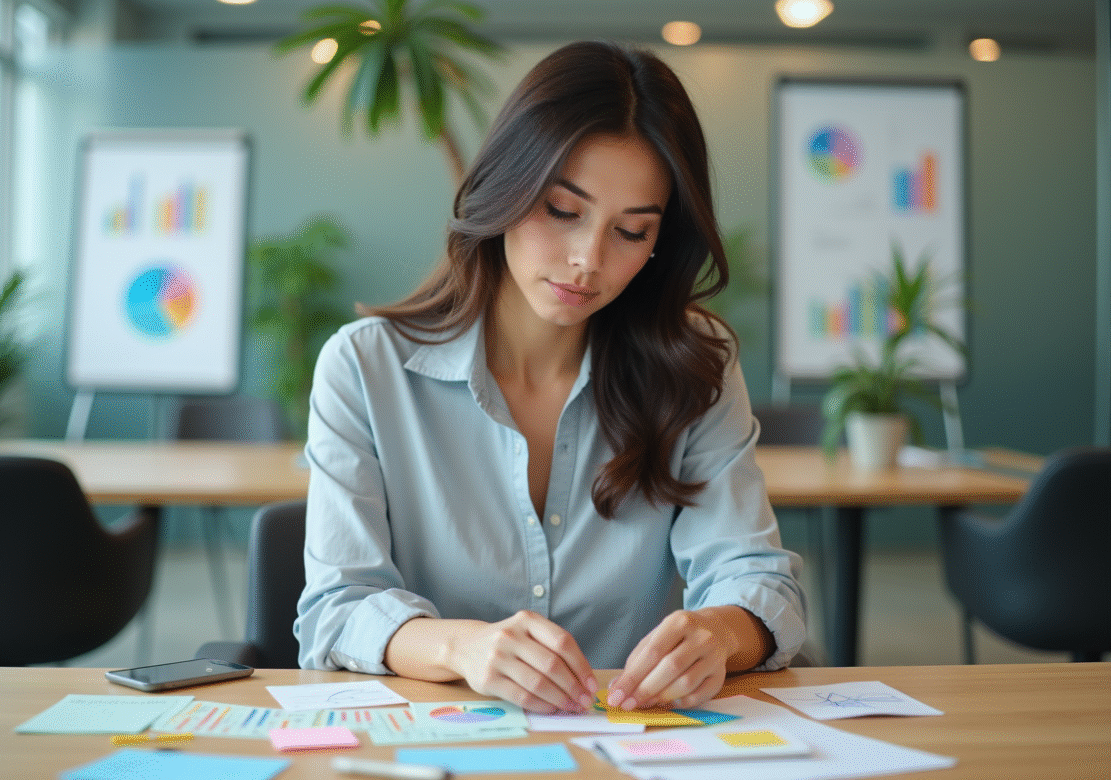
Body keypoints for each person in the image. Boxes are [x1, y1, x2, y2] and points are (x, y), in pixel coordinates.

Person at [296, 40, 806, 715]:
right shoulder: (364, 368)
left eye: (630, 231)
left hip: (633, 745)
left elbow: (756, 578)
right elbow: (337, 611)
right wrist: (461, 648)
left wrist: (718, 633)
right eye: (562, 212)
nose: (586, 260)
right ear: (506, 186)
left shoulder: (695, 366)